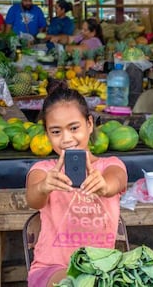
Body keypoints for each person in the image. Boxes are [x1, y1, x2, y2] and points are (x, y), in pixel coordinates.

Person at [25, 81, 127, 287]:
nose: (66, 138)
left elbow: (117, 179)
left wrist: (105, 186)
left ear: (89, 124)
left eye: (74, 128)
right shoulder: (43, 170)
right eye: (55, 131)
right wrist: (44, 186)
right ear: (46, 134)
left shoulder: (110, 166)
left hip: (101, 269)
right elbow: (33, 200)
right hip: (51, 269)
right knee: (76, 283)